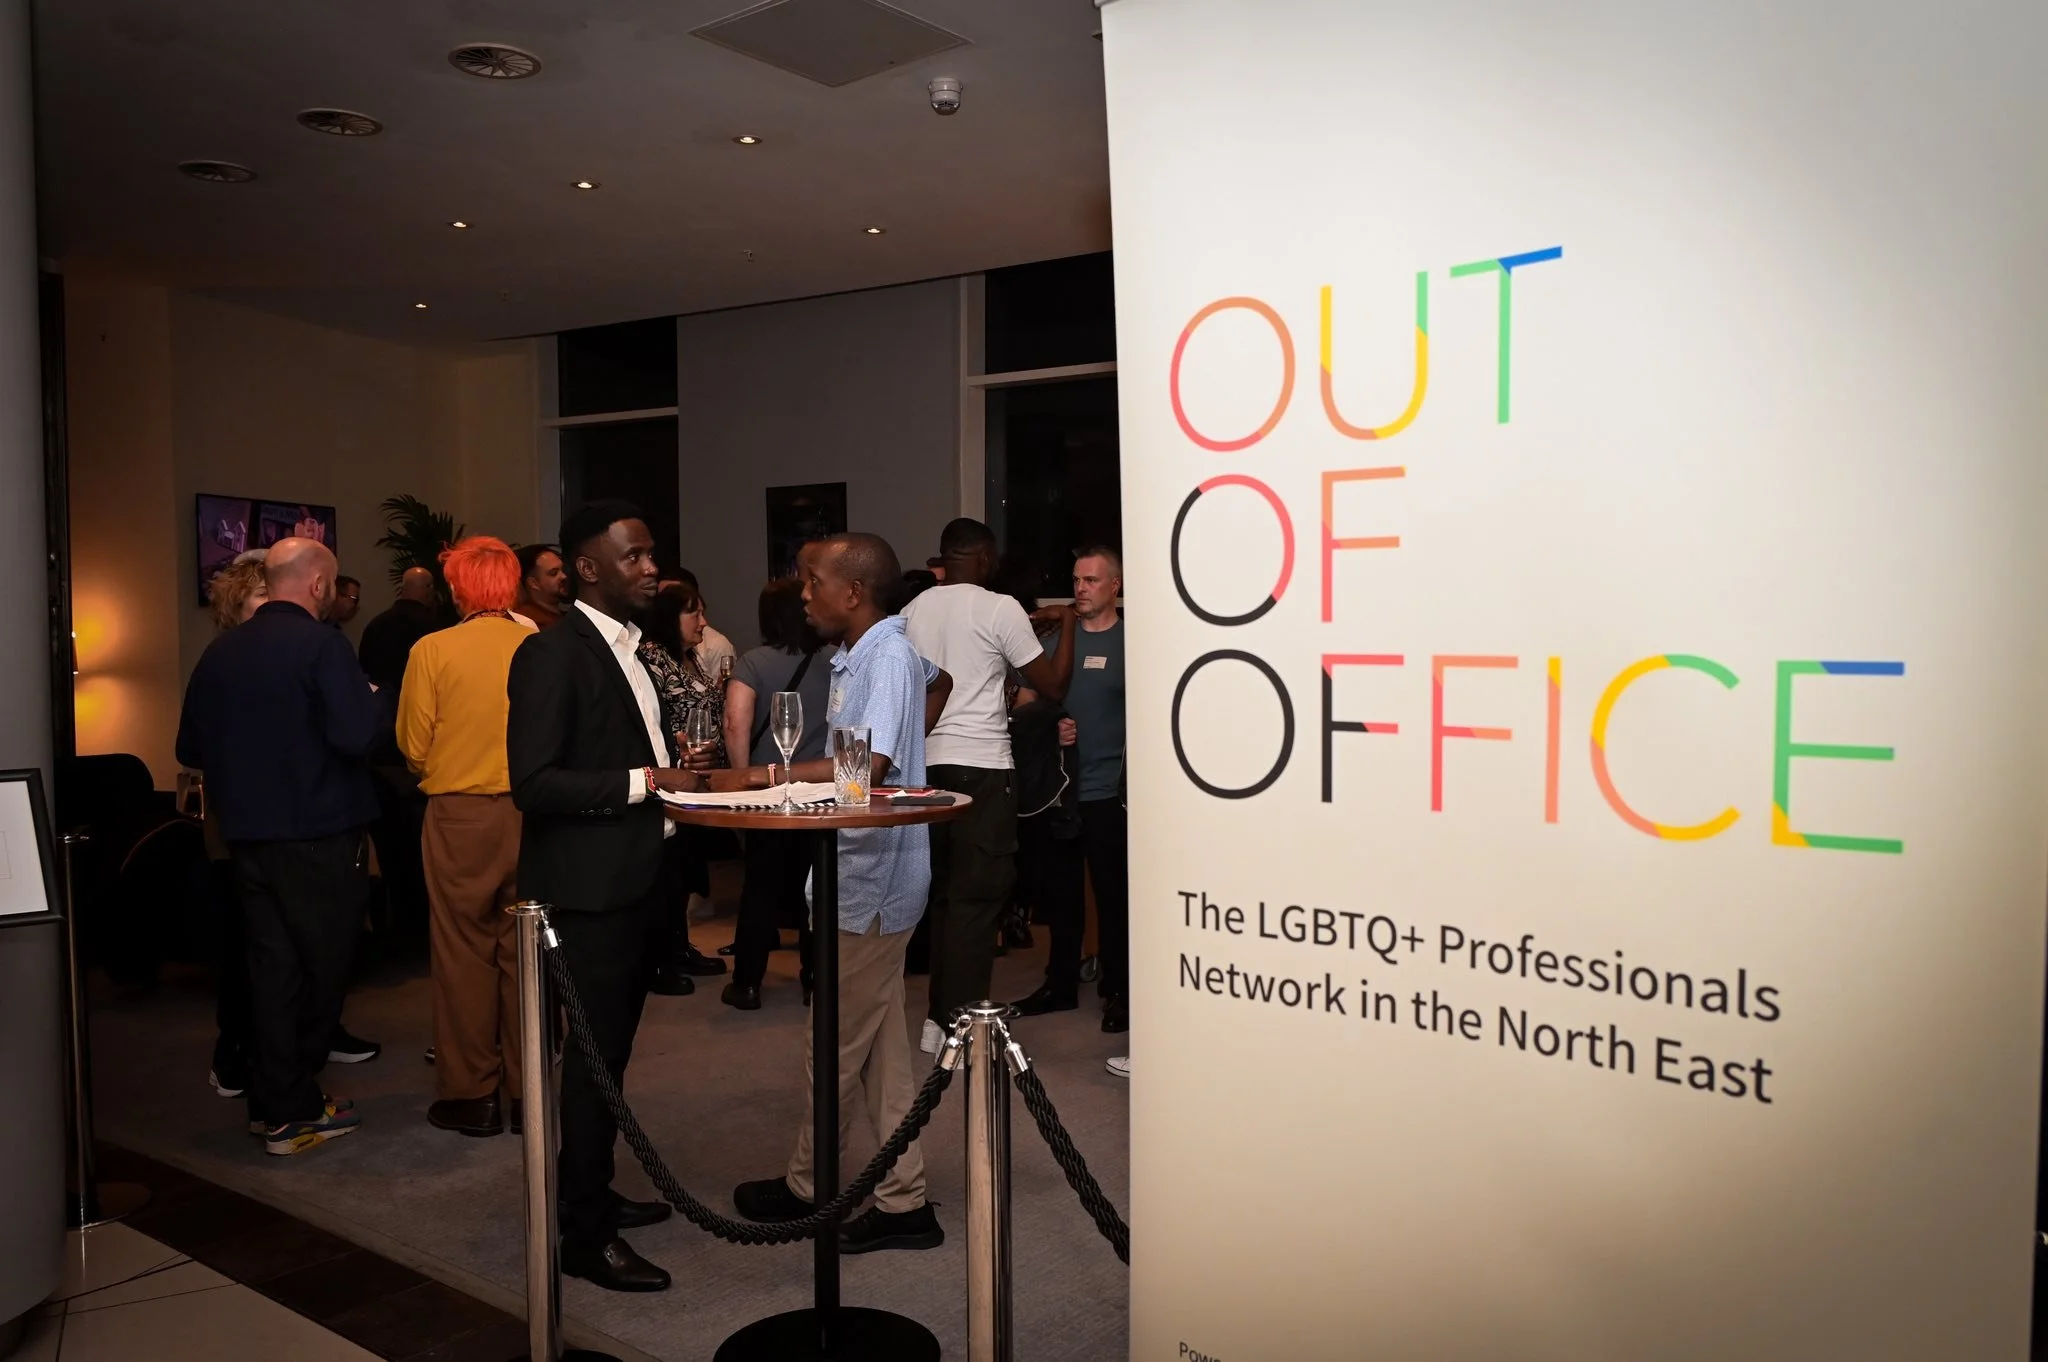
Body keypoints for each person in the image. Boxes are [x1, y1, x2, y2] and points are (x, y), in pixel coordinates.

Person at [508, 500, 720, 1293]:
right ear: (587, 569)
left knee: (613, 1059)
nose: (650, 568)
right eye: (633, 558)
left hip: (636, 877)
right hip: (588, 894)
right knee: (593, 1065)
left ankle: (587, 1191)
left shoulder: (634, 647)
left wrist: (672, 763)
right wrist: (648, 779)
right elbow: (533, 782)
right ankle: (583, 1237)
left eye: (651, 554)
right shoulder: (552, 654)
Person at [730, 534, 947, 1253]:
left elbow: (869, 763)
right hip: (865, 875)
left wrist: (770, 776)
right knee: (881, 1050)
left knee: (832, 1046)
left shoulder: (885, 653)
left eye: (812, 581)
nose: (803, 593)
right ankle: (903, 1198)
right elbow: (926, 694)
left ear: (851, 593)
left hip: (871, 880)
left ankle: (806, 1186)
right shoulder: (875, 651)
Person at [175, 537, 377, 1156]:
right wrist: (378, 704)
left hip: (247, 837)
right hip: (317, 834)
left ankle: (277, 1106)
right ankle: (289, 1103)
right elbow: (356, 736)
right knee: (323, 970)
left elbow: (190, 750)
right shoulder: (324, 646)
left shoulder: (220, 653)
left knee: (273, 971)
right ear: (318, 586)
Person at [901, 518, 1076, 1051]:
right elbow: (1052, 685)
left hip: (926, 770)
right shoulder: (997, 606)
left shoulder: (911, 612)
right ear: (982, 558)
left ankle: (936, 1019)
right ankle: (962, 1026)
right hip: (982, 767)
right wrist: (1066, 624)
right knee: (978, 903)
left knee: (945, 898)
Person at [397, 537, 532, 1138]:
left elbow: (413, 745)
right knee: (524, 951)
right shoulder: (539, 645)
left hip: (459, 815)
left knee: (462, 952)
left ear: (456, 591)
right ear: (512, 586)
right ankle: (530, 1088)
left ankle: (472, 1094)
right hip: (534, 815)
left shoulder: (433, 649)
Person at [1012, 548, 1130, 1044]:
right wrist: (1048, 723)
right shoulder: (1060, 642)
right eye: (1076, 580)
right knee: (1060, 895)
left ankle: (1120, 991)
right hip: (1061, 791)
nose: (1080, 589)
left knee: (1114, 896)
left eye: (1091, 581)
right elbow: (1024, 704)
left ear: (1115, 586)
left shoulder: (1135, 643)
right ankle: (1059, 984)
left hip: (1111, 791)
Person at [720, 577, 833, 1009]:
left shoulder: (753, 661)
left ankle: (747, 983)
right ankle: (814, 980)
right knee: (816, 888)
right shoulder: (833, 660)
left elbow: (735, 723)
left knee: (760, 886)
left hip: (767, 792)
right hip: (821, 791)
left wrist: (740, 779)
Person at [196, 555, 270, 1103]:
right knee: (243, 943)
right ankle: (232, 1053)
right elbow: (189, 744)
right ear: (236, 606)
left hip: (281, 822)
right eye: (260, 602)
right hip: (238, 823)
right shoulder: (221, 660)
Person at [639, 579, 731, 993]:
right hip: (670, 777)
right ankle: (658, 959)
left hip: (700, 780)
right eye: (694, 612)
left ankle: (678, 946)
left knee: (685, 868)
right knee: (666, 871)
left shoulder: (688, 657)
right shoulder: (650, 657)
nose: (703, 621)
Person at [358, 566, 440, 945]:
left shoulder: (374, 626)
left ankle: (397, 928)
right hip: (421, 753)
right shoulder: (435, 630)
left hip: (381, 752)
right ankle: (421, 929)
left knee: (392, 847)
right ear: (426, 590)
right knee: (422, 848)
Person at [669, 567, 736, 678]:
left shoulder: (691, 655)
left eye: (702, 614)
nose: (704, 622)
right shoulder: (656, 658)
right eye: (696, 615)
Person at [513, 543, 568, 630]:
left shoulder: (567, 616)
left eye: (563, 569)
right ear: (534, 583)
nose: (564, 576)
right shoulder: (527, 622)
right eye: (554, 573)